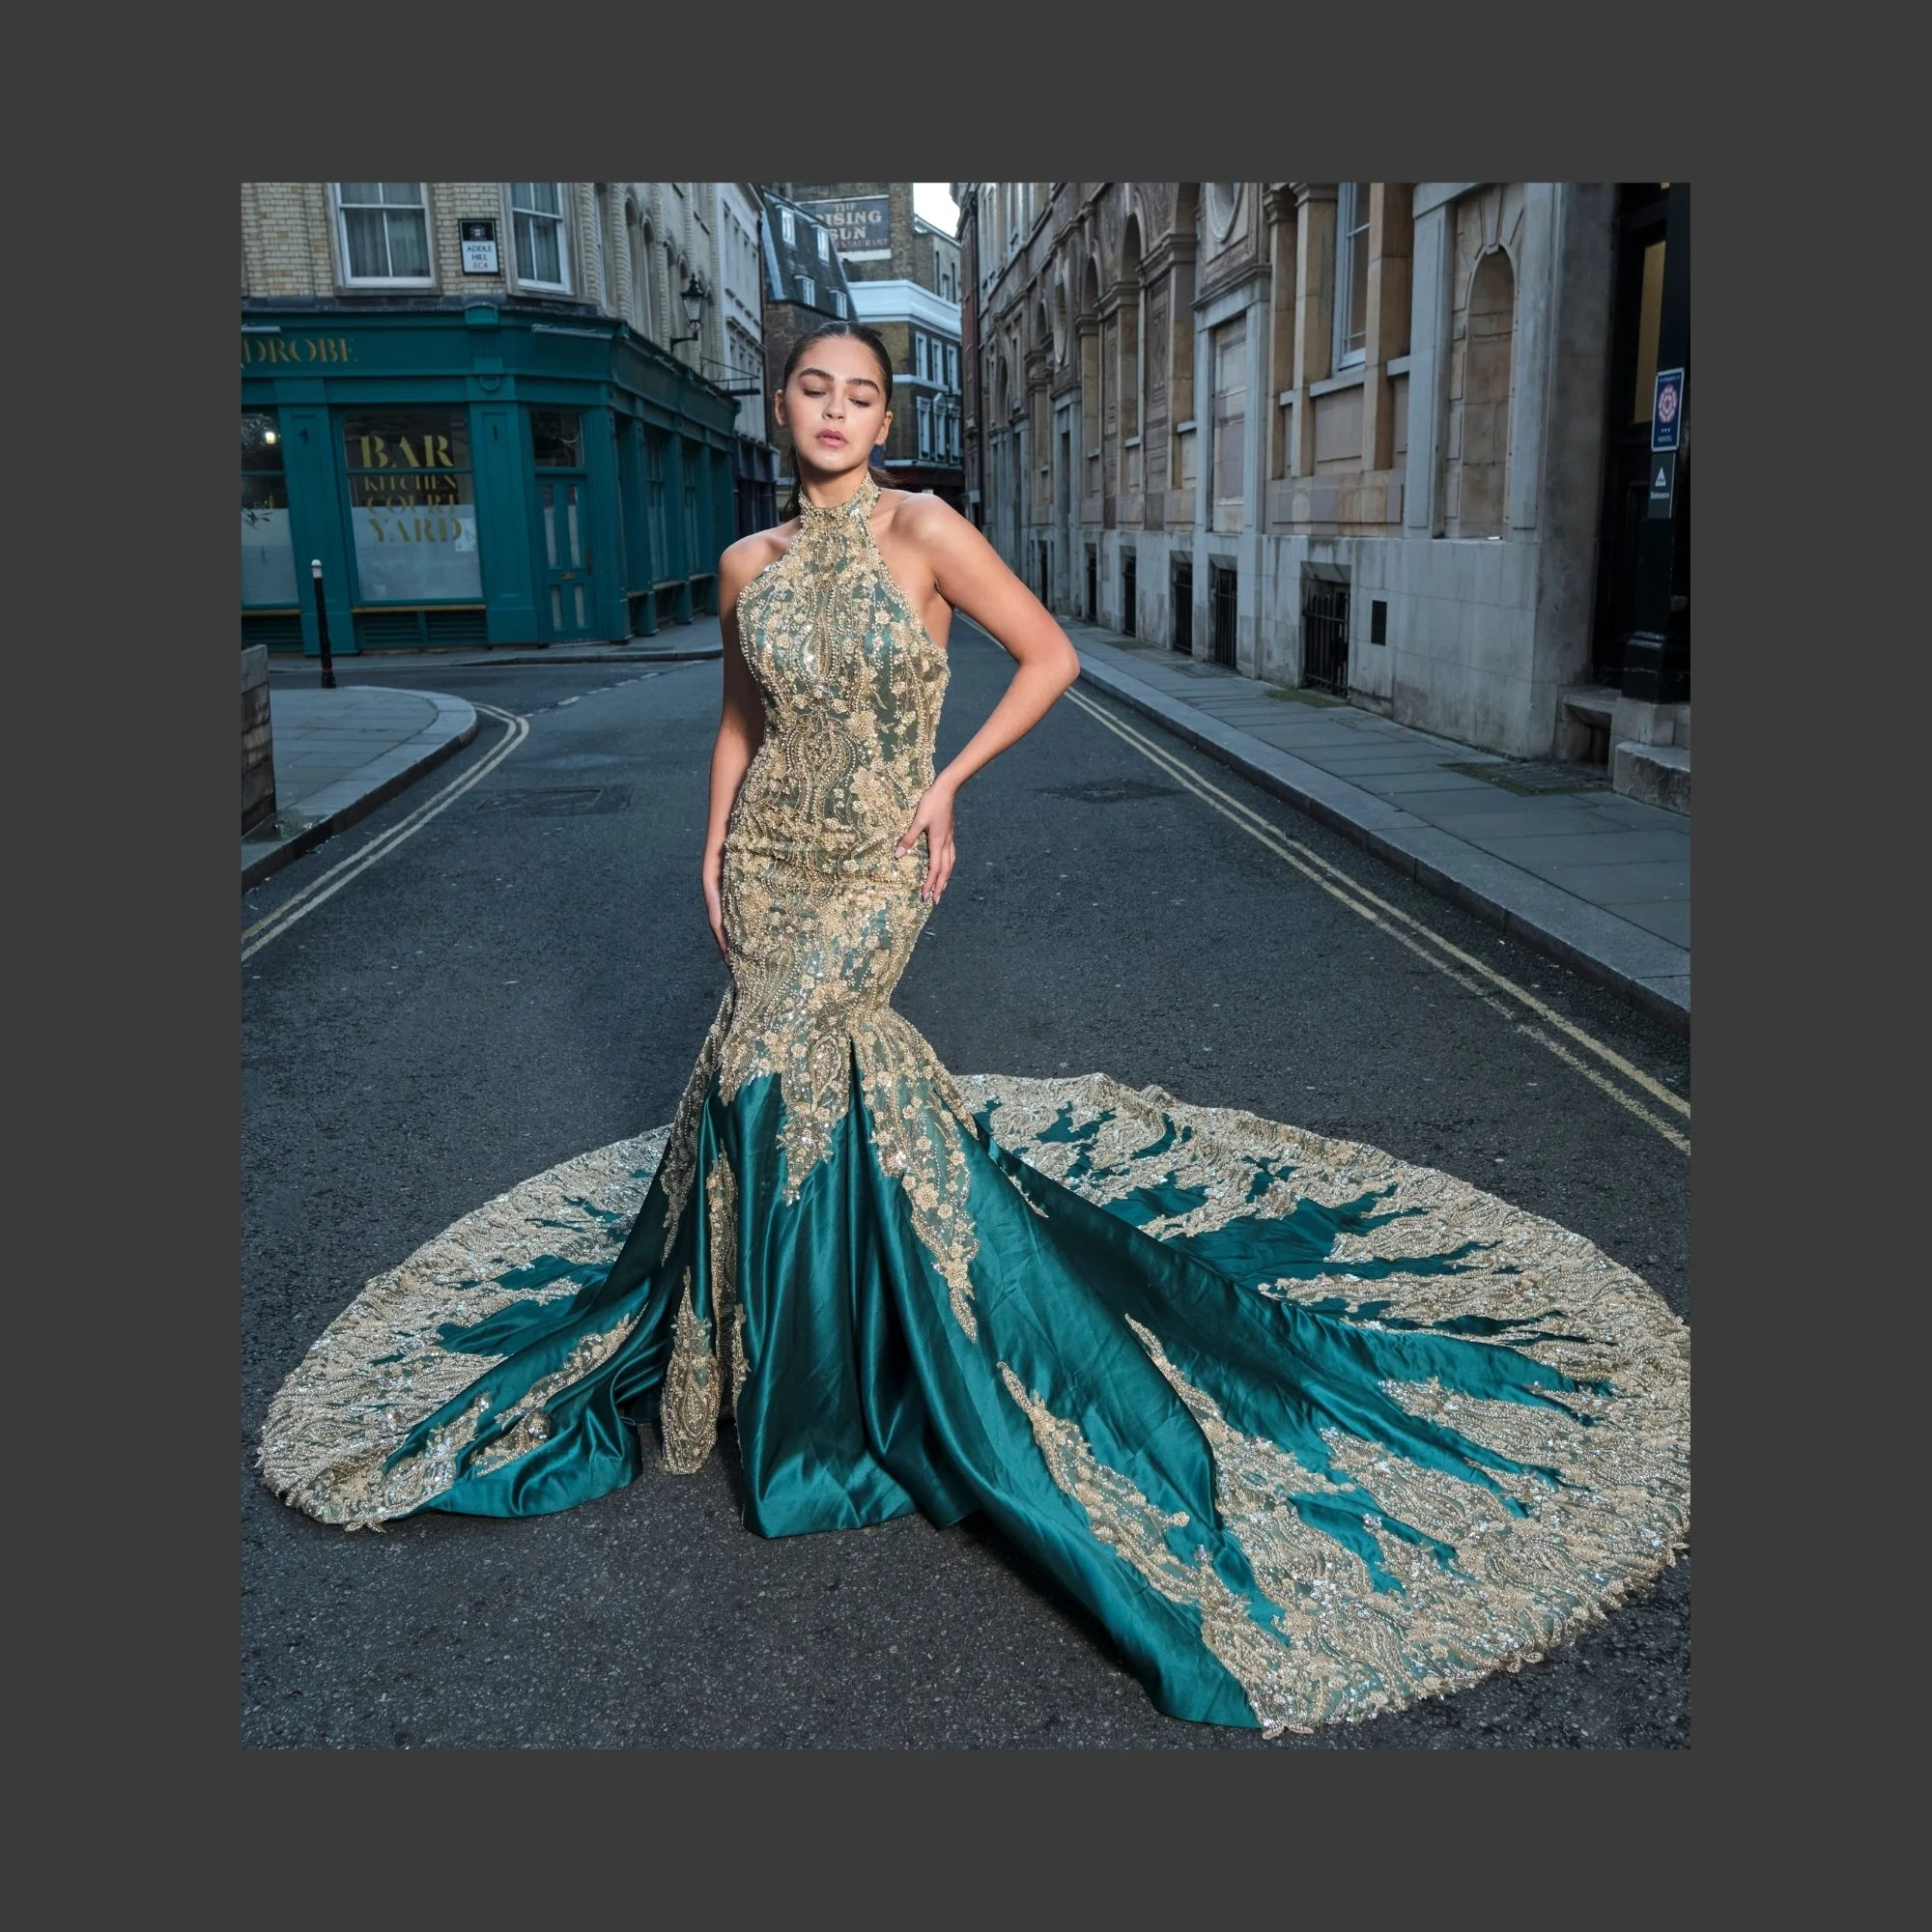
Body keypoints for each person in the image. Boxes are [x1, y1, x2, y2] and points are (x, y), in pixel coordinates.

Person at [261, 321, 1689, 1738]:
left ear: (885, 418)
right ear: (778, 410)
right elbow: (738, 726)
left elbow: (1051, 658)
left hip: (878, 861)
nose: (836, 410)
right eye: (813, 389)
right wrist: (708, 850)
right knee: (783, 1084)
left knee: (770, 1078)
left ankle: (824, 1396)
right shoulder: (744, 566)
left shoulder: (927, 528)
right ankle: (797, 1341)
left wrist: (949, 790)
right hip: (768, 861)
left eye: (861, 393)